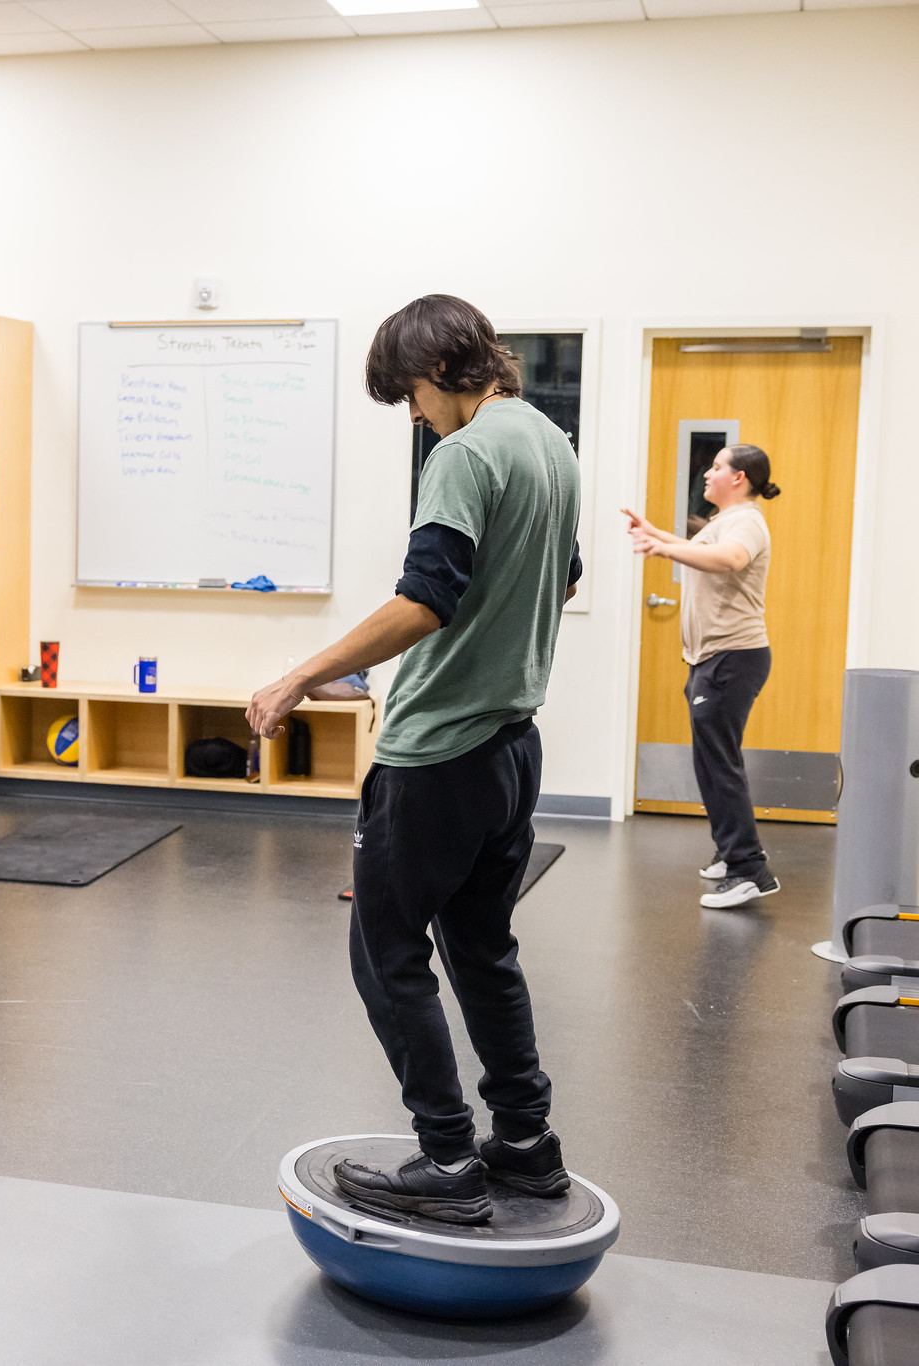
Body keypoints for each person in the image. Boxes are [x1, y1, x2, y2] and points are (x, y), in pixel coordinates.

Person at [247, 294, 581, 1225]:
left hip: (437, 756)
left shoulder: (464, 454)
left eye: (410, 395)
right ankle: (524, 1144)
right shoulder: (549, 443)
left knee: (386, 954)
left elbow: (426, 596)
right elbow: (563, 573)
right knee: (482, 948)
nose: (414, 414)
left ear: (438, 372)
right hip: (514, 747)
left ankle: (445, 1158)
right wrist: (478, 653)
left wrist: (300, 676)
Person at [622, 444, 782, 909]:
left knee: (719, 763)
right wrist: (654, 534)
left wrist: (663, 547)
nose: (707, 474)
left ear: (740, 478)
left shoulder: (746, 522)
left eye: (716, 467)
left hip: (733, 657)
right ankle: (731, 851)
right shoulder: (722, 521)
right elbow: (697, 548)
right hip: (711, 660)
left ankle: (750, 869)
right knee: (710, 761)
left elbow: (730, 560)